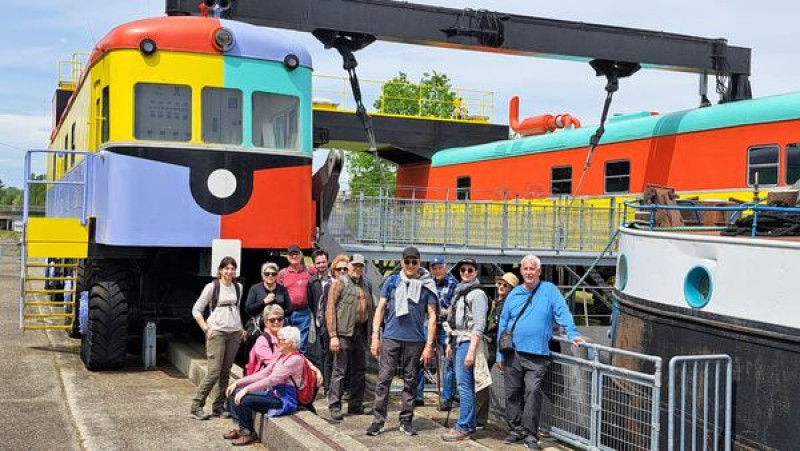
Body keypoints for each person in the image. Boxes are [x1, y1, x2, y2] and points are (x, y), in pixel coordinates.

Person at [497, 255, 585, 450]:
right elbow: (503, 323)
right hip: (513, 352)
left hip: (538, 354)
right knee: (512, 392)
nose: (528, 272)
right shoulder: (514, 294)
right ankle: (516, 428)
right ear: (521, 271)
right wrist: (499, 354)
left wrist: (572, 333)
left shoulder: (549, 290)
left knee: (532, 392)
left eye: (532, 269)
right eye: (525, 269)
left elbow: (562, 311)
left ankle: (530, 433)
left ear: (539, 271)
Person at [367, 246, 437, 437]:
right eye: (407, 261)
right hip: (391, 337)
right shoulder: (392, 281)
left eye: (414, 262)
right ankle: (378, 420)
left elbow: (432, 316)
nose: (411, 265)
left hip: (415, 340)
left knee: (411, 381)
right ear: (401, 262)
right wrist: (375, 336)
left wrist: (429, 345)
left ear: (419, 263)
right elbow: (380, 308)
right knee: (384, 379)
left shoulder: (427, 285)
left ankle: (406, 419)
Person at [224, 326, 320, 446]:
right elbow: (263, 373)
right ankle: (240, 427)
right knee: (235, 391)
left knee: (244, 399)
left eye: (281, 340)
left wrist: (247, 389)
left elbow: (272, 380)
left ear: (290, 343)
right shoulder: (282, 356)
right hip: (274, 393)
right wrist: (239, 383)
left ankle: (248, 433)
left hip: (284, 399)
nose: (278, 342)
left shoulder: (294, 360)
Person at [190, 256, 246, 420]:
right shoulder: (212, 287)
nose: (229, 272)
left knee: (225, 373)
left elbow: (236, 309)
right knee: (213, 372)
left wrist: (241, 328)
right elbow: (196, 310)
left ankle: (219, 406)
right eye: (226, 268)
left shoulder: (238, 287)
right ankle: (196, 405)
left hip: (234, 333)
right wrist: (206, 328)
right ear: (220, 270)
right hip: (218, 333)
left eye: (232, 269)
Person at [441, 258, 490, 442]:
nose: (466, 273)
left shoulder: (477, 294)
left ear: (476, 272)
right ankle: (467, 423)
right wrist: (448, 343)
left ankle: (464, 426)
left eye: (470, 270)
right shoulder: (459, 290)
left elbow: (479, 324)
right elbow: (454, 320)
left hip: (468, 341)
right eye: (463, 270)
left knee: (465, 386)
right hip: (457, 339)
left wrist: (471, 350)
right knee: (464, 385)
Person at [326, 254, 374, 421]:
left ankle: (355, 404)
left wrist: (373, 334)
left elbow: (371, 309)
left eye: (360, 266)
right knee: (340, 370)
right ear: (349, 266)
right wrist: (333, 335)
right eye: (355, 265)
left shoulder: (366, 284)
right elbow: (330, 309)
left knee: (360, 369)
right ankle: (335, 405)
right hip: (343, 332)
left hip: (360, 331)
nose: (357, 269)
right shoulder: (340, 283)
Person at [475, 271, 519, 429]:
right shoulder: (495, 302)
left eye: (505, 285)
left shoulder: (508, 305)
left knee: (482, 382)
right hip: (489, 344)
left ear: (511, 289)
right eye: (499, 283)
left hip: (498, 346)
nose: (501, 286)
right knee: (481, 382)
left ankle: (481, 419)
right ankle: (480, 418)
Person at [419, 256, 459, 410]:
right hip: (428, 324)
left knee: (448, 361)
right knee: (421, 357)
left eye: (440, 267)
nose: (437, 271)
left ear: (445, 267)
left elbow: (455, 309)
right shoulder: (427, 283)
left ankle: (446, 398)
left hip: (445, 325)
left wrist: (442, 311)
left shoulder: (454, 284)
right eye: (434, 268)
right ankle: (417, 395)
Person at [244, 262, 291, 355]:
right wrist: (264, 302)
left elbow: (289, 308)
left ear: (277, 275)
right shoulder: (255, 289)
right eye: (267, 274)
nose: (270, 276)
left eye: (273, 274)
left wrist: (278, 315)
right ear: (262, 275)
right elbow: (248, 309)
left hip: (278, 323)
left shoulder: (282, 290)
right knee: (251, 338)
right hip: (259, 323)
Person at [278, 244, 317, 354]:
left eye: (296, 254)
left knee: (301, 343)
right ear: (288, 257)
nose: (294, 257)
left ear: (302, 255)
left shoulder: (309, 271)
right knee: (287, 342)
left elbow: (322, 275)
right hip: (287, 313)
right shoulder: (282, 274)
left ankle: (299, 367)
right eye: (291, 254)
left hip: (303, 312)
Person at [307, 249, 334, 391]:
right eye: (318, 263)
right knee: (325, 353)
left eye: (323, 262)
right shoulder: (312, 282)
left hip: (336, 321)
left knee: (335, 354)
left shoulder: (335, 278)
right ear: (314, 264)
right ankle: (327, 384)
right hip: (321, 321)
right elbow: (311, 303)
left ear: (327, 261)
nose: (321, 265)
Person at [245, 305, 285, 375]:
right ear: (266, 322)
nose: (276, 322)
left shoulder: (286, 337)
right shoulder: (262, 341)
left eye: (280, 319)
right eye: (272, 320)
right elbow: (272, 366)